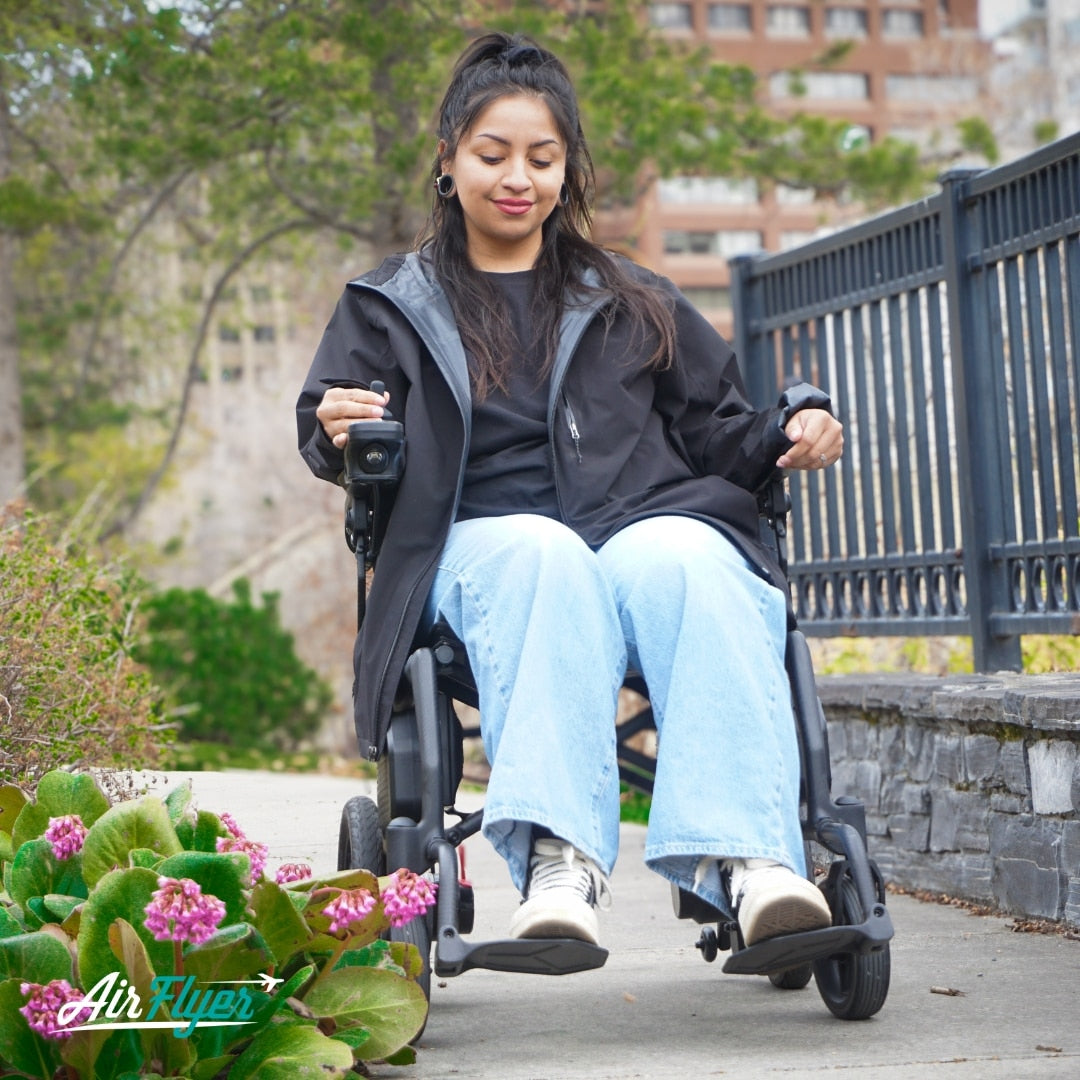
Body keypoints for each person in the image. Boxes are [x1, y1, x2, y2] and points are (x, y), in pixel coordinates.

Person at [297, 32, 843, 950]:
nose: (519, 178)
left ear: (566, 171)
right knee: (540, 549)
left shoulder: (632, 297)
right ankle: (560, 861)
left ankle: (755, 863)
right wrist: (335, 424)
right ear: (448, 159)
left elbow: (719, 427)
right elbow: (333, 428)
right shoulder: (390, 304)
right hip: (477, 553)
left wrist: (794, 422)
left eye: (542, 159)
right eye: (493, 154)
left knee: (689, 553)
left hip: (635, 535)